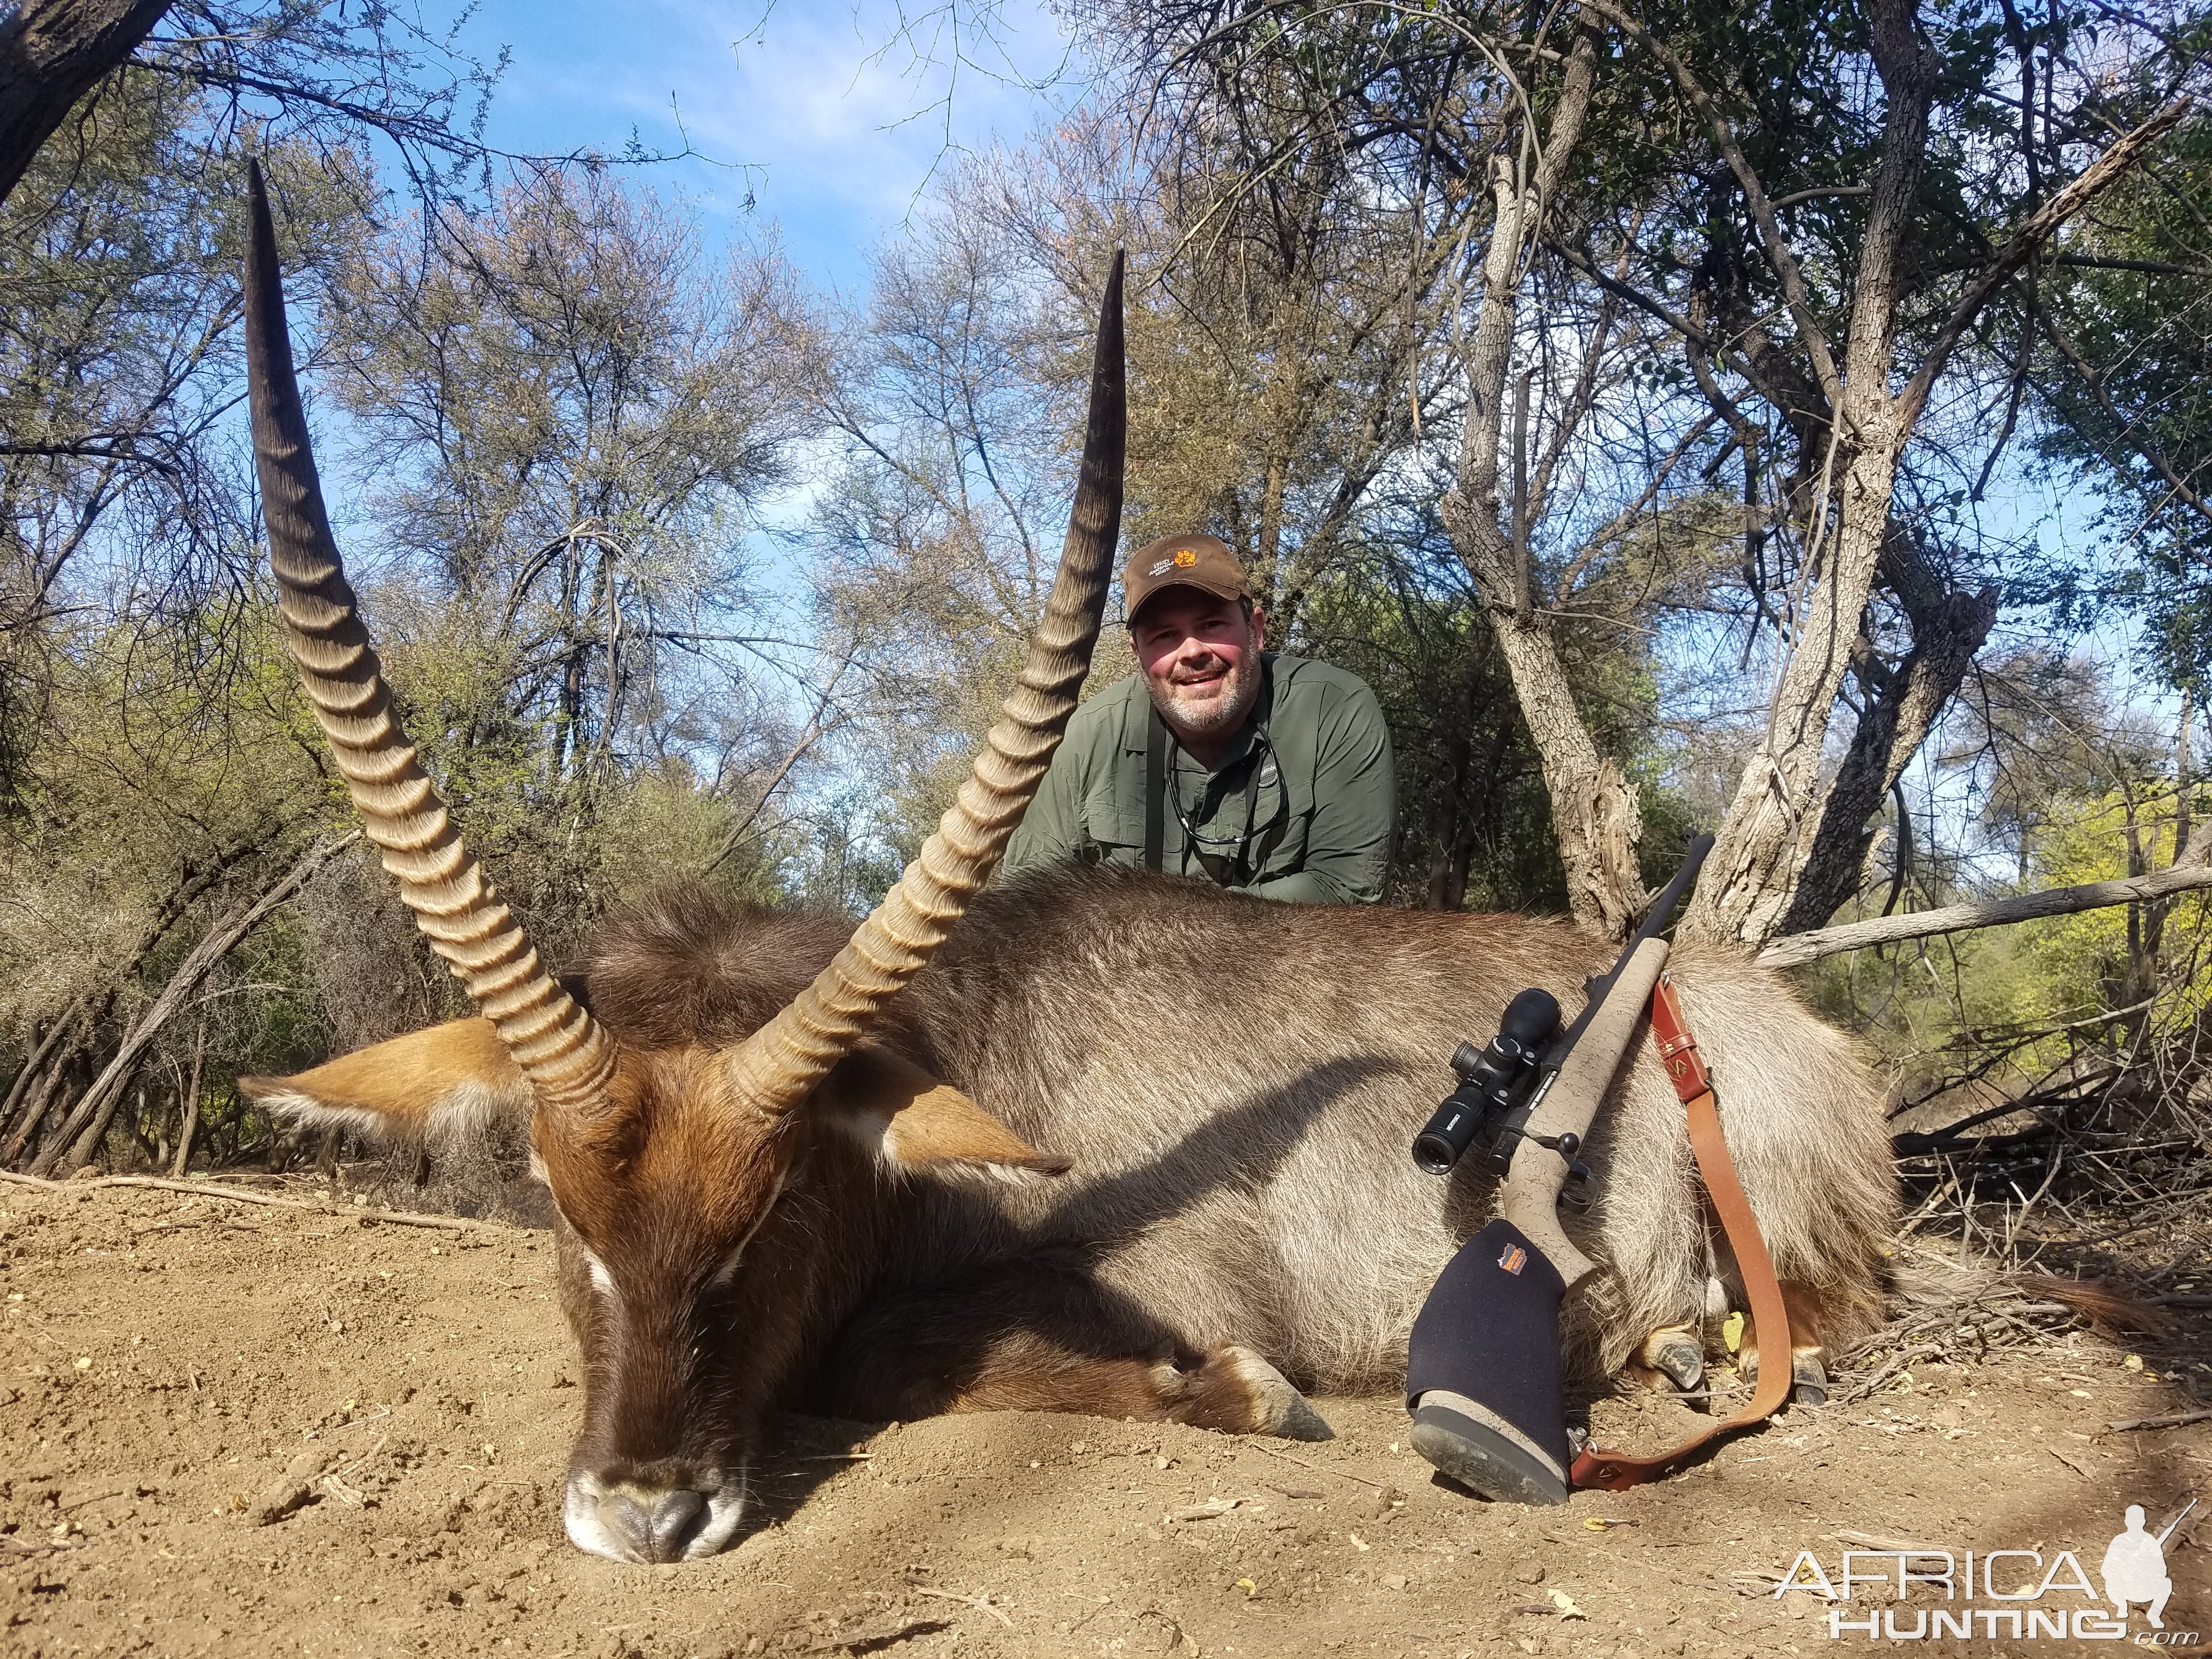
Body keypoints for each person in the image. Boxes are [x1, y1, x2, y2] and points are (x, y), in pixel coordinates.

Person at [1002, 532, 1395, 903]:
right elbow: (1031, 909)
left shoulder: (1334, 709)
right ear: (1138, 654)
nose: (1191, 651)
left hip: (1293, 970)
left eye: (1211, 625)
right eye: (1165, 635)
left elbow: (1346, 889)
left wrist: (1167, 939)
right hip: (1127, 975)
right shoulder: (1085, 739)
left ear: (1255, 631)